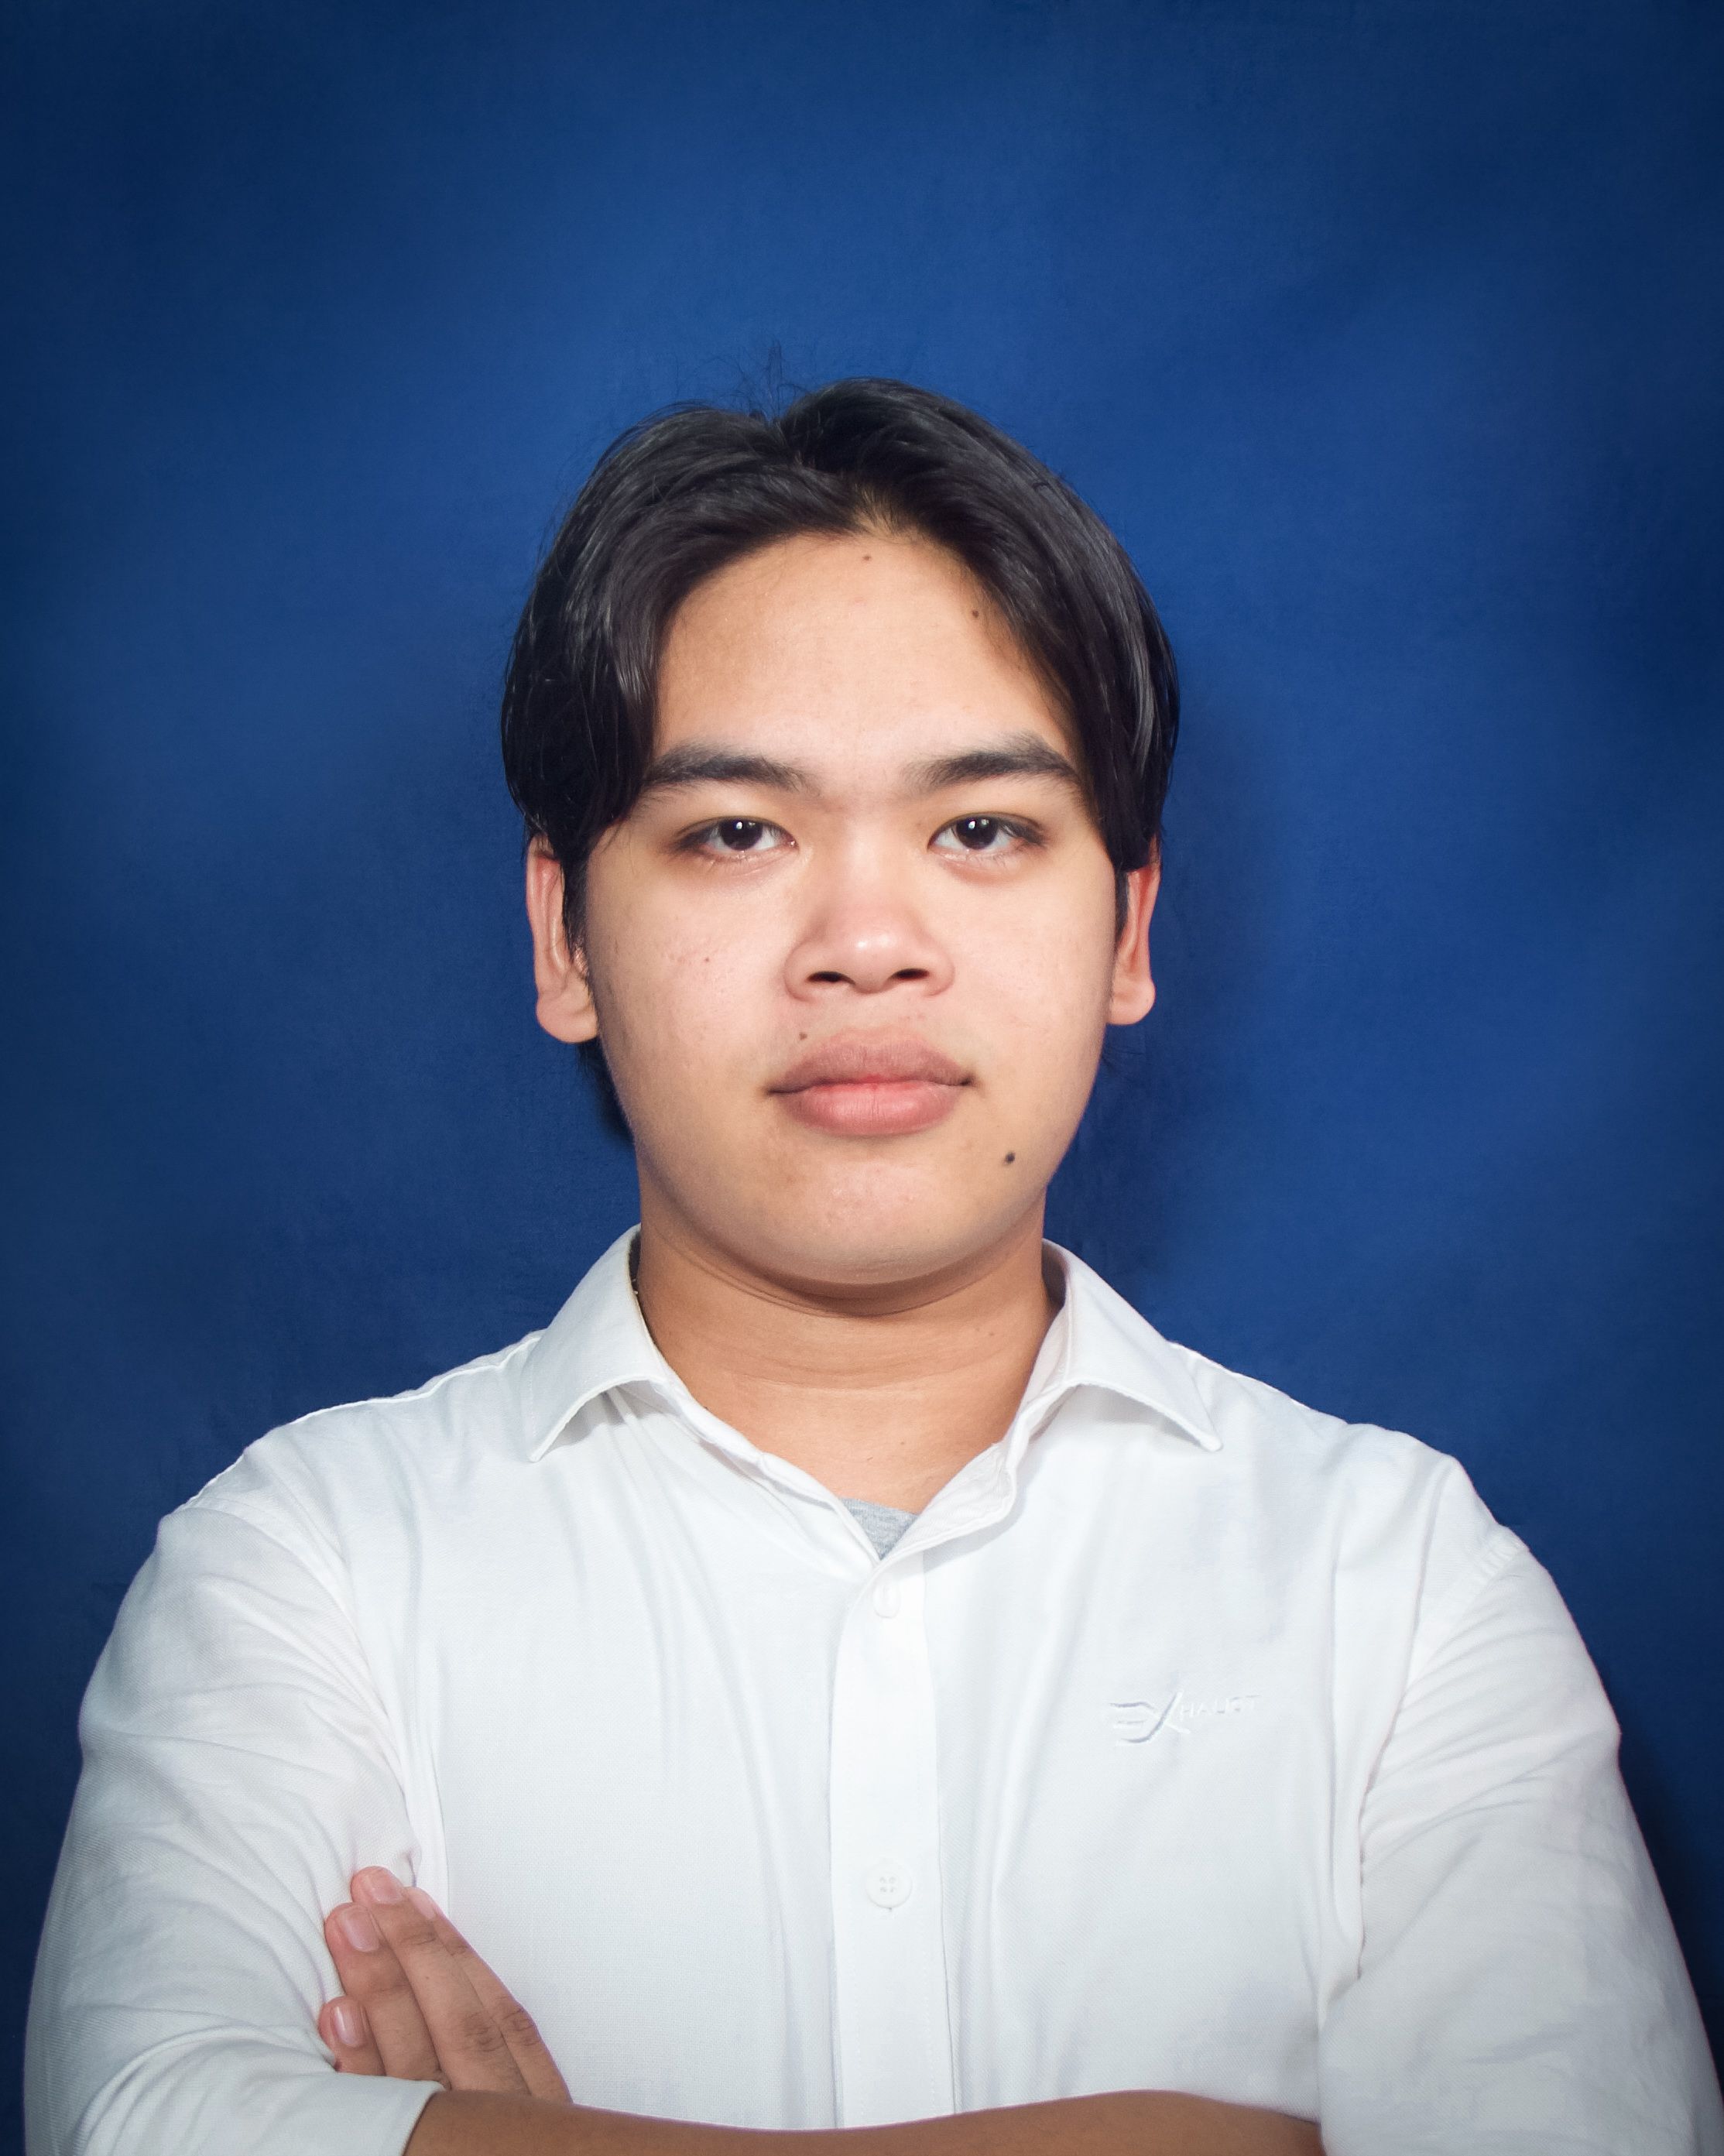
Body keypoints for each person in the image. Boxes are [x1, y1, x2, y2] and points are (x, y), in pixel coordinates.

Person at [23, 379, 1722, 2156]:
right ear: (564, 934)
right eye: (736, 832)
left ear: (1129, 928)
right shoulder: (304, 1570)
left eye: (980, 828)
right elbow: (143, 2119)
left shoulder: (1401, 1590)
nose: (864, 943)